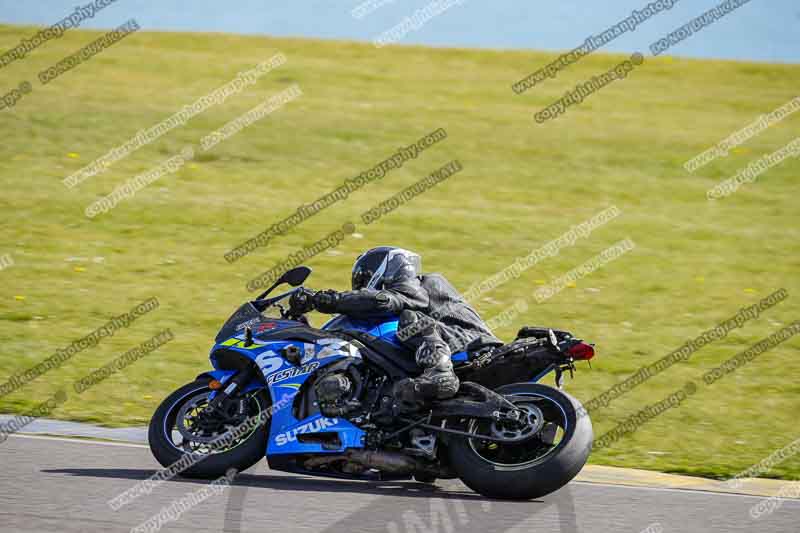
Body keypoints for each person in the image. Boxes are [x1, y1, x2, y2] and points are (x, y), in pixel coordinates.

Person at [297, 246, 501, 410]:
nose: (360, 289)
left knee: (410, 319)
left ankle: (441, 372)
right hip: (454, 348)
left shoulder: (423, 285)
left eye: (362, 281)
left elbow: (383, 301)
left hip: (472, 346)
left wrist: (330, 300)